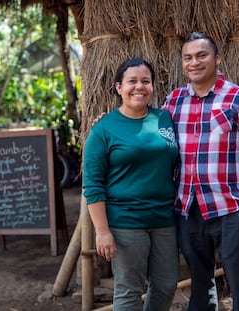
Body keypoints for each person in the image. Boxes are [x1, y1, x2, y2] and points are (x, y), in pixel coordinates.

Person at [162, 32, 239, 311]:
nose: (194, 62)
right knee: (200, 284)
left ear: (217, 58)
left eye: (201, 55)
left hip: (230, 208)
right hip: (188, 207)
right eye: (188, 57)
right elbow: (150, 136)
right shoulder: (173, 102)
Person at [82, 58, 179, 311]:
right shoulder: (104, 129)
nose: (139, 87)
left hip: (164, 219)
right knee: (129, 291)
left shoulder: (164, 119)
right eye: (132, 81)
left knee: (167, 285)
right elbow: (92, 185)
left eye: (145, 81)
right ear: (118, 87)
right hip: (126, 222)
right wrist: (102, 231)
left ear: (153, 86)